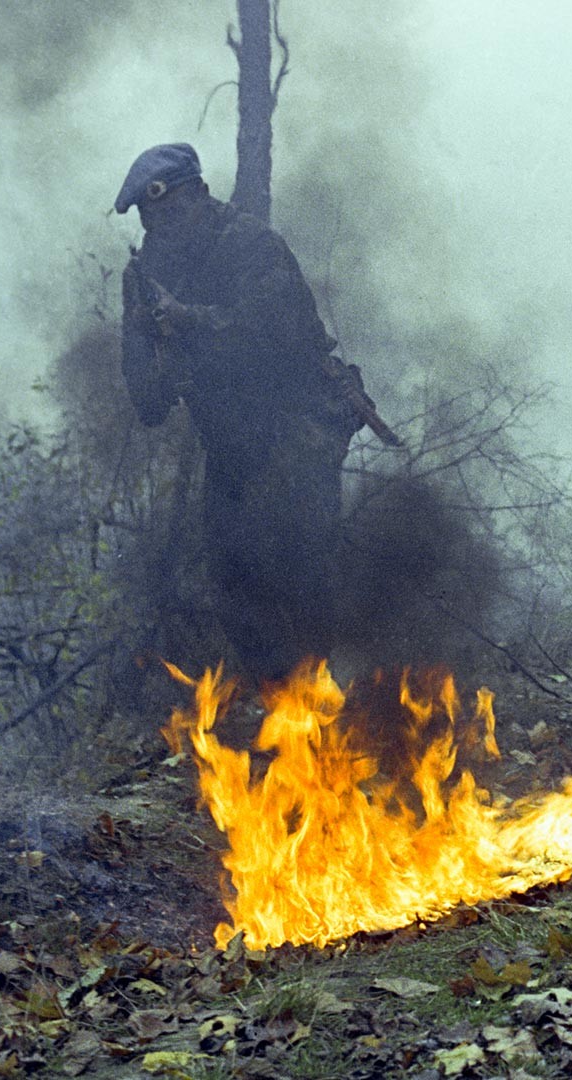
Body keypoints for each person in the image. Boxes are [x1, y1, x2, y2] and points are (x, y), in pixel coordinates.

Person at [115, 143, 376, 682]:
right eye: (153, 218)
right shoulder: (149, 274)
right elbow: (148, 402)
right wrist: (147, 342)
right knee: (234, 583)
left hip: (295, 425)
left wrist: (186, 318)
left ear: (202, 195)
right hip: (232, 444)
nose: (166, 226)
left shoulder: (251, 246)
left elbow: (278, 340)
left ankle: (334, 700)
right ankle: (281, 709)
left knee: (304, 570)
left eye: (175, 210)